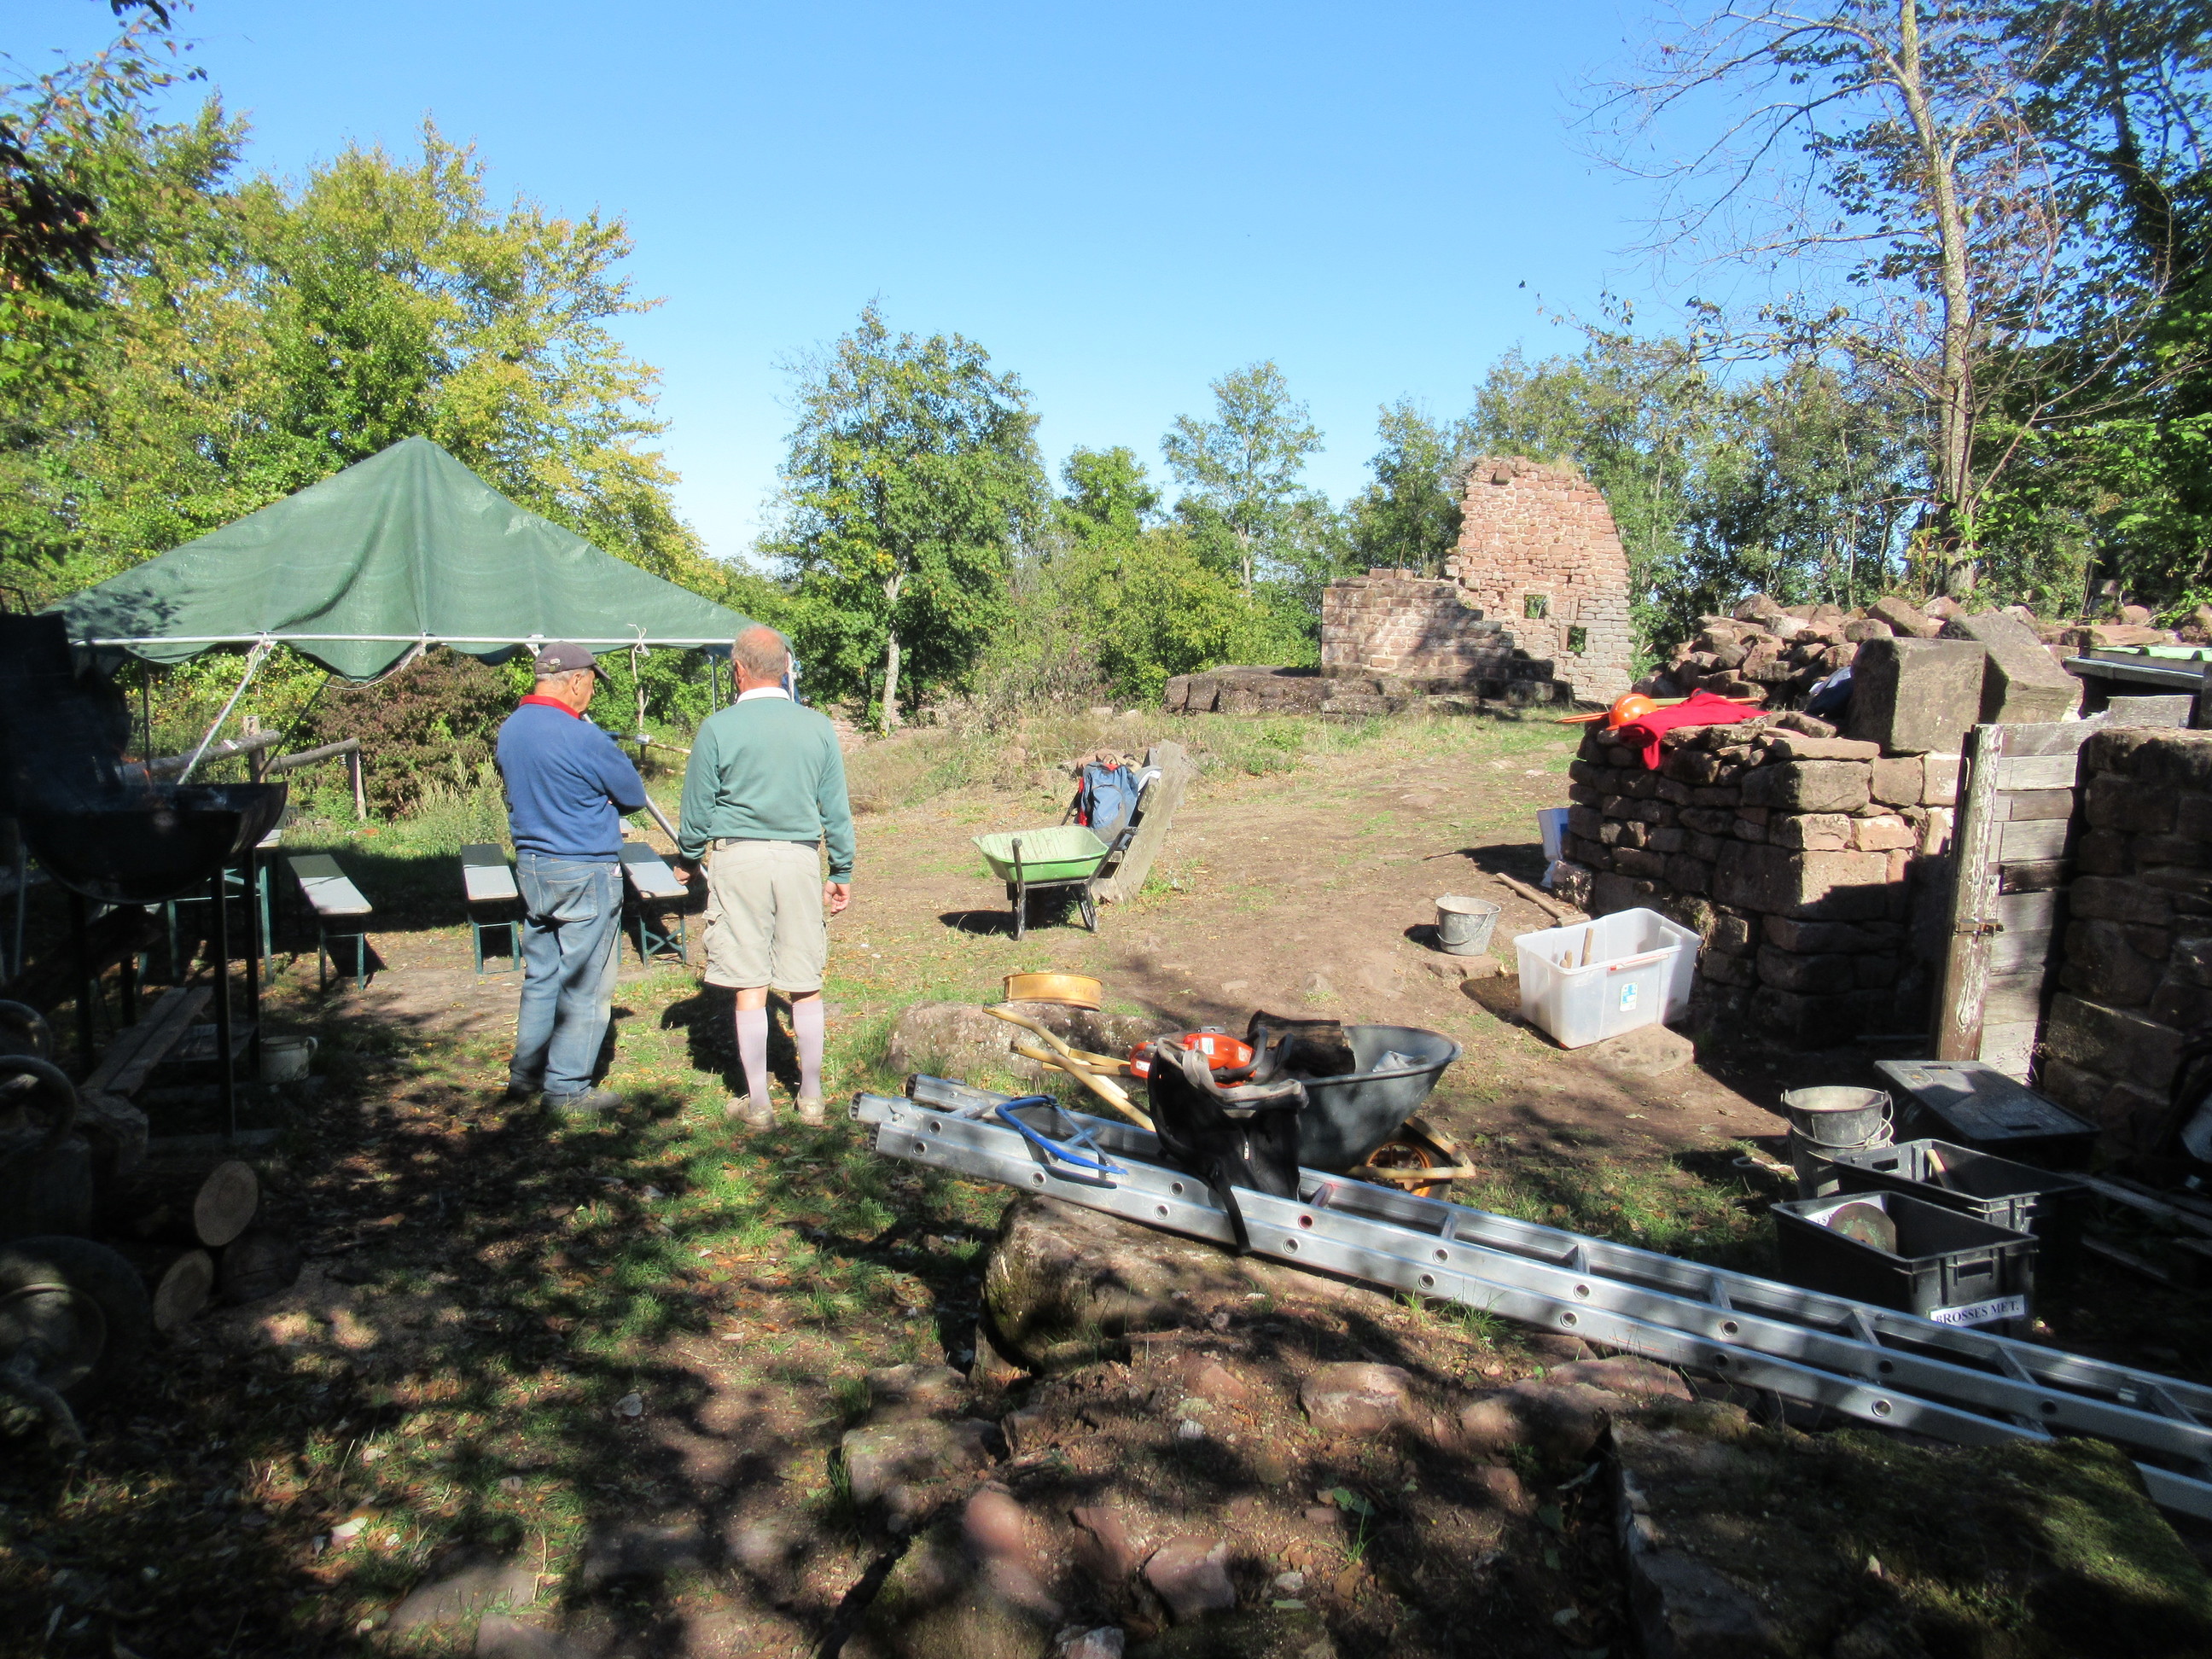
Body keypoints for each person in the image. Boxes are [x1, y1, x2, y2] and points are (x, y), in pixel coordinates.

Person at [678, 625, 854, 1126]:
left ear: (738, 670)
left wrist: (688, 858)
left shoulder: (717, 728)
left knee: (749, 983)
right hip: (799, 859)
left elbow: (697, 809)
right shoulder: (817, 727)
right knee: (805, 979)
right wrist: (841, 868)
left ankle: (758, 1104)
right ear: (786, 670)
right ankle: (811, 1097)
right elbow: (835, 808)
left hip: (738, 860)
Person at [495, 642, 649, 1115]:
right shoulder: (583, 736)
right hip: (583, 866)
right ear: (577, 680)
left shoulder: (512, 727)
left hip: (533, 865)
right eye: (592, 685)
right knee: (585, 982)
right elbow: (633, 794)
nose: (592, 695)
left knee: (541, 973)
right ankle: (566, 1089)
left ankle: (526, 1076)